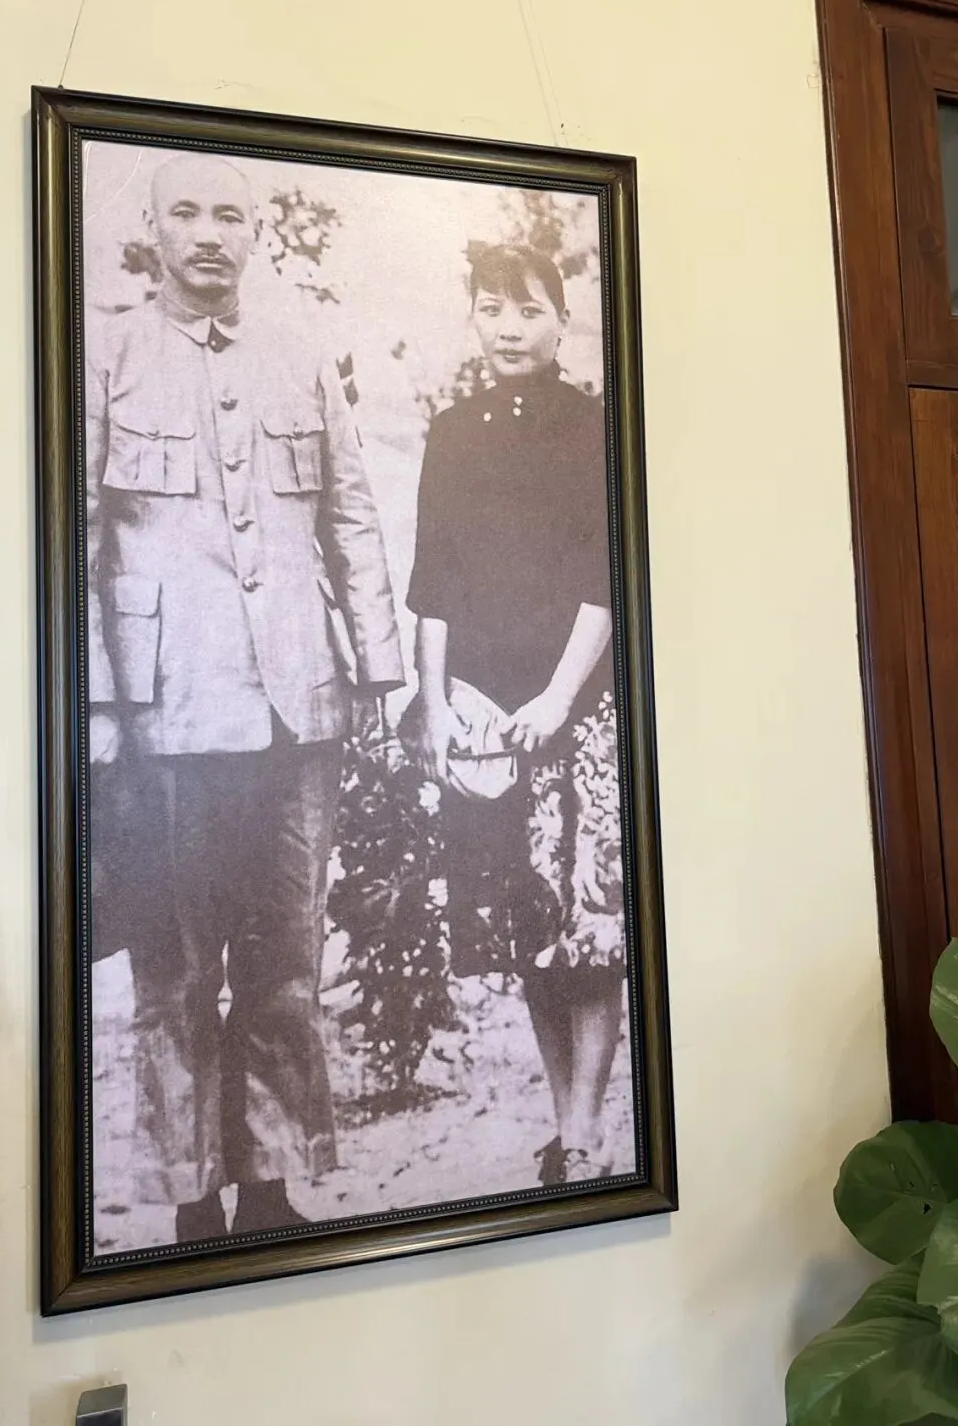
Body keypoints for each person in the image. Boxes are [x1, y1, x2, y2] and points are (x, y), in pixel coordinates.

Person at [86, 153, 404, 1242]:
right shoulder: (105, 354)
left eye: (230, 213)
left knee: (286, 965)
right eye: (186, 212)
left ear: (256, 232)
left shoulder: (299, 353)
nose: (209, 232)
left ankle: (271, 1182)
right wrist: (97, 704)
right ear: (154, 229)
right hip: (163, 718)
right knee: (174, 973)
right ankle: (191, 1196)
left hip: (294, 709)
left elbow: (351, 516)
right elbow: (69, 538)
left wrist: (376, 669)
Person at [406, 244, 627, 1185]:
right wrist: (436, 704)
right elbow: (434, 583)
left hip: (579, 709)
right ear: (473, 316)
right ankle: (564, 1122)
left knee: (591, 930)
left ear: (562, 321)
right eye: (492, 308)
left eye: (529, 309)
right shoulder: (452, 433)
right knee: (526, 929)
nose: (509, 327)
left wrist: (559, 697)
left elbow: (605, 574)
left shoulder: (595, 426)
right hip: (485, 723)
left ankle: (584, 1132)